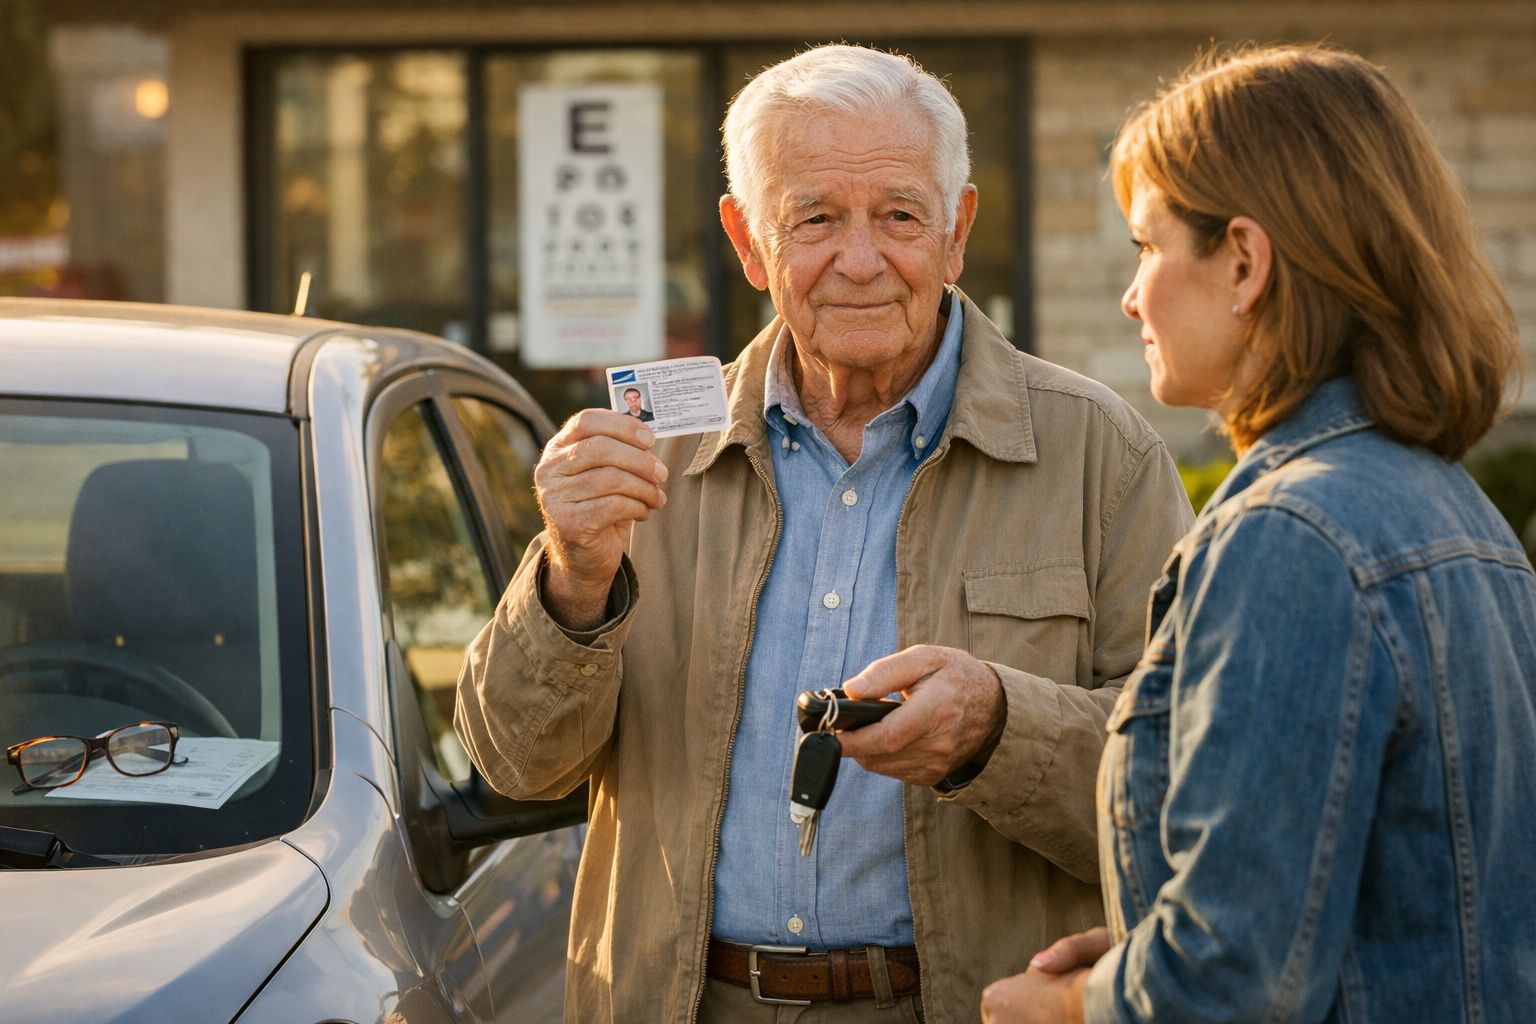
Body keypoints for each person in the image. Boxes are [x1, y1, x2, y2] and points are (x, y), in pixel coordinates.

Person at [457, 44, 1192, 1023]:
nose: (860, 259)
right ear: (750, 242)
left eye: (898, 215)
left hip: (969, 1005)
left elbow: (1188, 791)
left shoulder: (1100, 454)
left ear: (957, 230)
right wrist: (572, 579)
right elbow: (514, 764)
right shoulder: (651, 459)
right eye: (815, 219)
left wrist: (997, 733)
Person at [980, 44, 1536, 1024]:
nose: (1131, 293)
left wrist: (1068, 1007)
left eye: (1148, 246)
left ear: (1244, 261)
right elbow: (1416, 903)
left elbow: (1232, 988)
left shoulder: (1292, 538)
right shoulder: (1458, 511)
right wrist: (1141, 942)